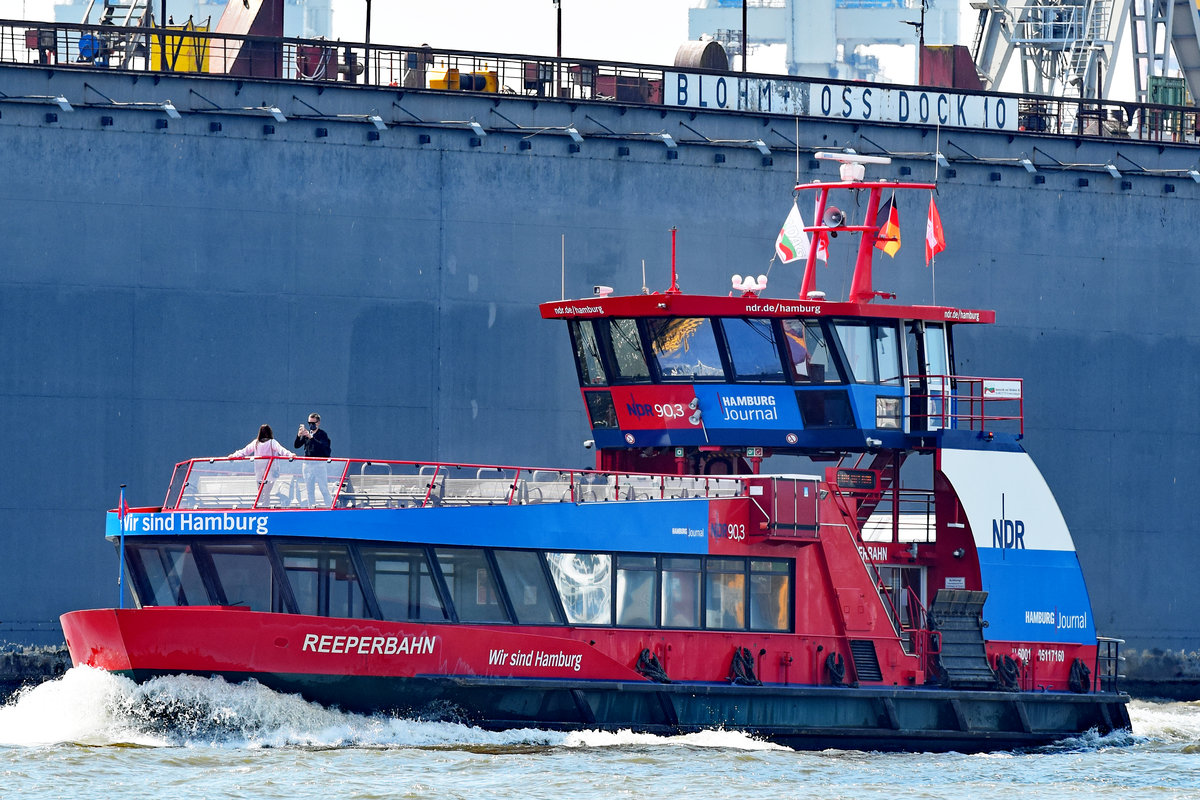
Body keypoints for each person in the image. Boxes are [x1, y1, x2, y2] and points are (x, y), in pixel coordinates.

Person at [229, 424, 295, 504]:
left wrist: (234, 455)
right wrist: (290, 455)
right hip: (270, 471)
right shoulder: (271, 442)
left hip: (261, 471)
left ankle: (263, 507)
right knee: (266, 494)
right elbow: (282, 450)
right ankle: (265, 508)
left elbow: (244, 451)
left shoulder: (256, 443)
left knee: (262, 493)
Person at [295, 412, 333, 507]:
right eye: (309, 423)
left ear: (318, 423)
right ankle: (311, 507)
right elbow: (296, 445)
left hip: (319, 464)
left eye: (313, 423)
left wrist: (311, 438)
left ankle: (330, 507)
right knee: (309, 490)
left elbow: (324, 448)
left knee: (323, 488)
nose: (311, 425)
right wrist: (299, 435)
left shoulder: (322, 434)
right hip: (307, 464)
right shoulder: (307, 434)